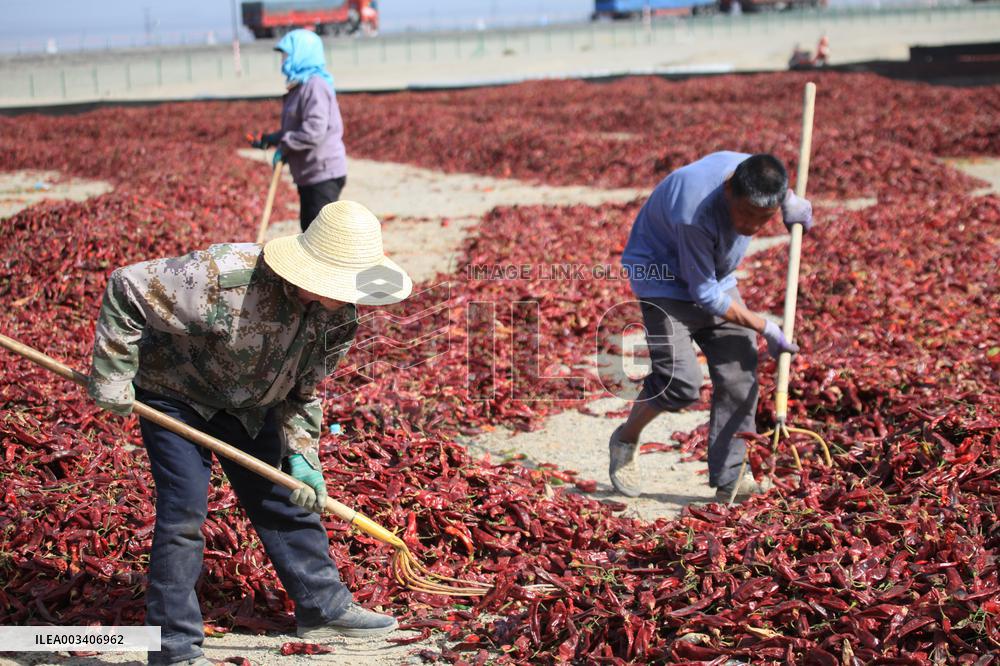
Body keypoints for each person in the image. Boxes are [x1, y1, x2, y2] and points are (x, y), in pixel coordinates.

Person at [87, 201, 413, 666]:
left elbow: (302, 390)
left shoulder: (339, 318)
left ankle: (323, 607)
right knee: (183, 516)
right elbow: (127, 286)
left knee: (286, 498)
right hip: (179, 397)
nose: (345, 298)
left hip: (255, 406)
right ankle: (174, 648)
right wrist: (113, 374)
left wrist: (303, 455)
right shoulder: (223, 277)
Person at [610, 153, 814, 503]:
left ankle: (731, 477)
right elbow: (704, 295)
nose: (751, 226)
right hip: (663, 279)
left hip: (714, 276)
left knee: (739, 373)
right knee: (680, 383)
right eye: (746, 214)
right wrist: (765, 326)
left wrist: (791, 203)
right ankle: (626, 438)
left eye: (762, 218)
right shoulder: (695, 213)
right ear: (728, 192)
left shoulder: (755, 175)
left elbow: (773, 193)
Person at [252, 30, 347, 233]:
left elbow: (313, 131)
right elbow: (295, 128)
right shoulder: (300, 86)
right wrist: (271, 139)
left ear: (302, 54)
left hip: (323, 174)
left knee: (318, 238)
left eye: (286, 55)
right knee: (309, 230)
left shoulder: (315, 86)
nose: (283, 61)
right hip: (309, 174)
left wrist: (285, 147)